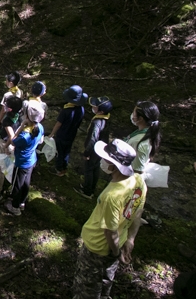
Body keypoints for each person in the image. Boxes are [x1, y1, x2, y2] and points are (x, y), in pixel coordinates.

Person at [72, 139, 147, 299]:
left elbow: (110, 231)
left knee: (87, 286)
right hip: (120, 242)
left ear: (113, 166)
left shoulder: (111, 196)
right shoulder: (139, 181)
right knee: (107, 279)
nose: (103, 161)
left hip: (97, 247)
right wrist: (130, 240)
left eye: (106, 159)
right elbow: (137, 211)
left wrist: (115, 252)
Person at [5, 101, 44, 216]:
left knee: (17, 184)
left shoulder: (24, 136)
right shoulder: (40, 127)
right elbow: (41, 140)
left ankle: (14, 207)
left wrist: (22, 126)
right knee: (26, 182)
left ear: (27, 116)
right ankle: (22, 202)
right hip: (31, 160)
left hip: (21, 162)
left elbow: (13, 139)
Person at [0, 95, 23, 201]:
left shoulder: (7, 120)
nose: (4, 106)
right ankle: (8, 185)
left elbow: (11, 136)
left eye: (6, 105)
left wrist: (6, 146)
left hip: (6, 143)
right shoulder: (19, 115)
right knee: (10, 166)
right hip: (16, 146)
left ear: (9, 108)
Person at [75, 97, 112, 199]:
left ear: (101, 111)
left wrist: (87, 153)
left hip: (94, 150)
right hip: (101, 149)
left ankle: (87, 191)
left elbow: (93, 139)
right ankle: (91, 188)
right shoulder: (107, 118)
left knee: (89, 169)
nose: (93, 107)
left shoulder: (97, 122)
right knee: (95, 168)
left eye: (95, 106)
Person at [49, 85, 87, 177]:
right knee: (67, 151)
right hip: (72, 134)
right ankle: (65, 167)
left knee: (59, 152)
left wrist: (52, 134)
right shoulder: (81, 109)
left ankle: (59, 169)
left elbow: (58, 124)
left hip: (62, 134)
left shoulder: (66, 111)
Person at [124, 101, 162, 175]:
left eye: (134, 113)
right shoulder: (148, 133)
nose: (132, 115)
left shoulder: (138, 141)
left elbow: (138, 171)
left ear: (140, 119)